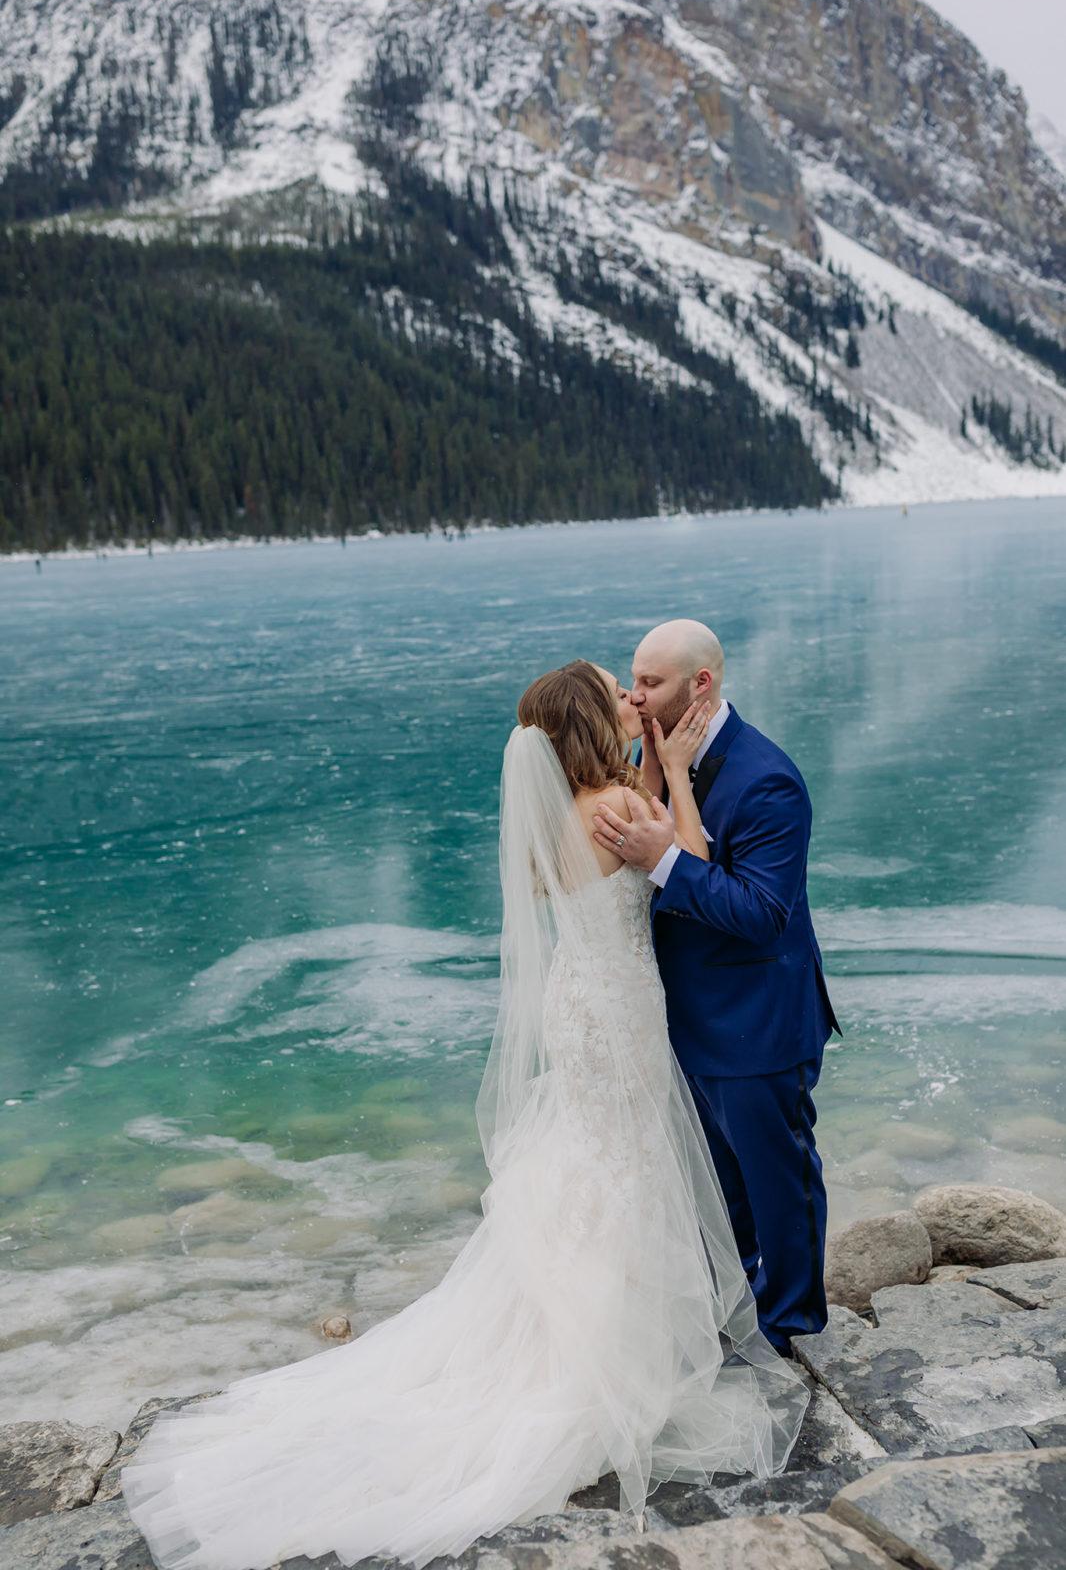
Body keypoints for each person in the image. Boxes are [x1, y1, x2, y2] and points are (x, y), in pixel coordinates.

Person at [122, 660, 807, 1570]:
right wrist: (676, 773)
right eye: (617, 694)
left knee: (589, 1153)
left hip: (579, 1000)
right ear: (595, 722)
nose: (631, 700)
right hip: (622, 1010)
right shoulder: (624, 804)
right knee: (629, 1160)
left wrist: (641, 767)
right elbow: (695, 857)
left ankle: (577, 1322)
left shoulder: (563, 807)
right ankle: (605, 1352)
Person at [593, 621, 839, 1355]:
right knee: (718, 1194)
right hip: (683, 1023)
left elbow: (764, 917)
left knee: (778, 1185)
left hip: (756, 1024)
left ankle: (791, 1330)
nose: (635, 697)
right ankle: (733, 1323)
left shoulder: (767, 779)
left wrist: (664, 860)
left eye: (651, 683)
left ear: (701, 684)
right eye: (633, 681)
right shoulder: (650, 754)